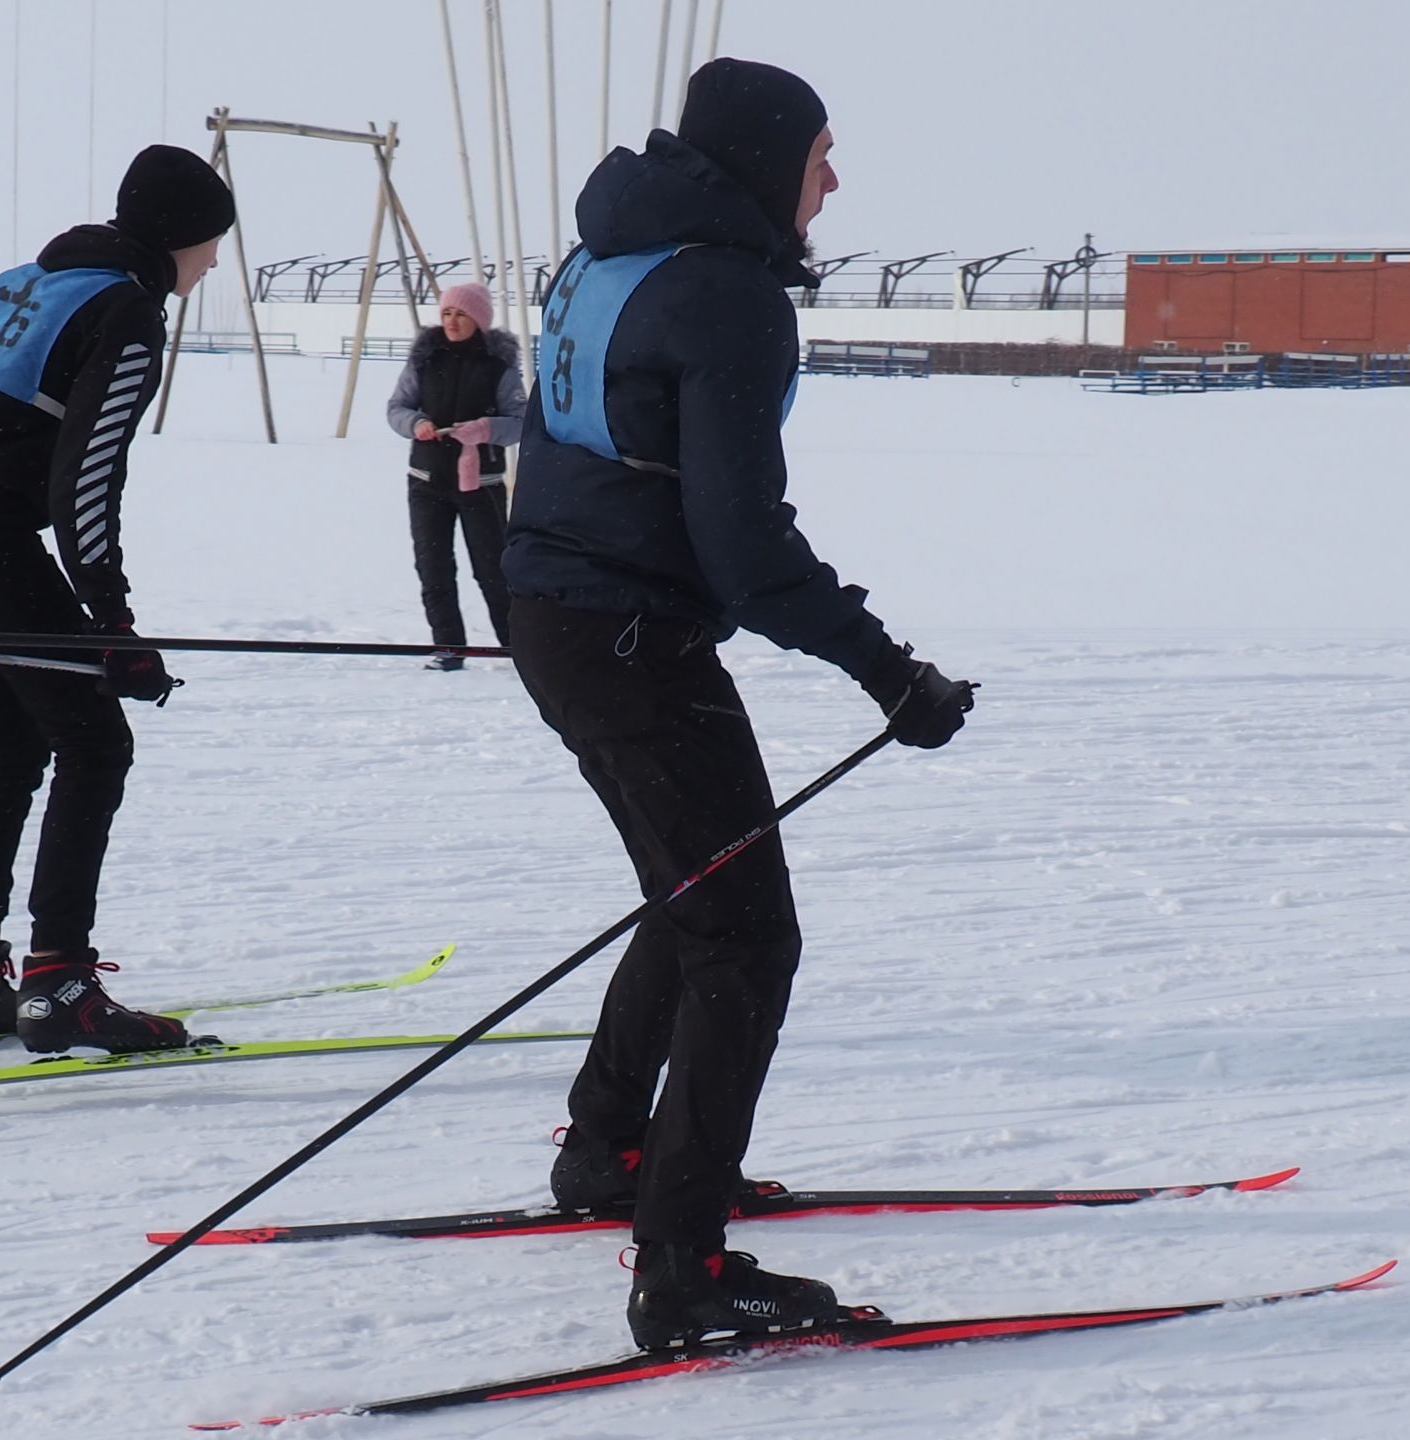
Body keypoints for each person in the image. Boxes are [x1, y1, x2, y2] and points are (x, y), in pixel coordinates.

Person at [502, 60, 975, 1348]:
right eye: (825, 150)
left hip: (558, 609)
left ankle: (612, 1154)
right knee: (745, 936)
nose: (836, 177)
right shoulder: (725, 292)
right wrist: (894, 676)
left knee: (697, 885)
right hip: (627, 631)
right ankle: (683, 1270)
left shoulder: (618, 255)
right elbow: (746, 551)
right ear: (770, 158)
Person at [0, 144, 235, 1055]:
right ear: (179, 238)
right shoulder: (126, 311)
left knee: (10, 743)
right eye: (210, 244)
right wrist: (110, 623)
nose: (212, 263)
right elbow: (89, 471)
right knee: (92, 740)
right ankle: (60, 984)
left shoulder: (17, 283)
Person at [384, 282, 526, 670]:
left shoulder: (499, 366)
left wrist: (484, 430)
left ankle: (518, 650)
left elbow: (520, 421)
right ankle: (448, 648)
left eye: (461, 313)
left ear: (478, 319)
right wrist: (416, 424)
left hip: (481, 485)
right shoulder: (425, 359)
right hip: (426, 481)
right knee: (433, 568)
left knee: (493, 570)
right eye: (446, 312)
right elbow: (396, 407)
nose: (451, 320)